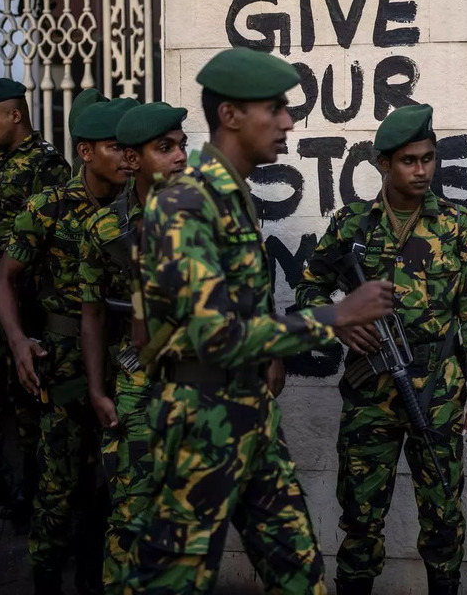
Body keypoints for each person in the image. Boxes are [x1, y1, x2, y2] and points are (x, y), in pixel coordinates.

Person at [123, 47, 394, 595]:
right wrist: (334, 316)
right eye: (274, 109)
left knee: (300, 577)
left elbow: (243, 307)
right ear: (230, 116)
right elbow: (214, 334)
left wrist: (273, 348)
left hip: (251, 420)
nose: (288, 121)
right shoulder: (184, 203)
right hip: (199, 425)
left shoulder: (233, 195)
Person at [295, 104, 467, 595]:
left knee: (443, 516)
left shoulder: (454, 225)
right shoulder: (352, 226)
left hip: (437, 390)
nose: (422, 170)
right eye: (409, 160)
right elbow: (308, 291)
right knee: (361, 516)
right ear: (383, 163)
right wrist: (341, 325)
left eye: (429, 159)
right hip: (370, 395)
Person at [0, 97, 135, 595]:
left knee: (121, 482)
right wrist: (18, 342)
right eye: (116, 148)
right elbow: (4, 280)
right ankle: (47, 578)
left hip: (131, 358)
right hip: (66, 358)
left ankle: (99, 578)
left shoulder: (142, 208)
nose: (127, 158)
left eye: (132, 148)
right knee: (60, 480)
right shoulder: (48, 206)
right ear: (86, 151)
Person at [78, 101, 188, 593]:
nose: (180, 156)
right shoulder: (105, 231)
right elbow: (93, 312)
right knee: (130, 515)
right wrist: (99, 390)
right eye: (165, 148)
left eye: (182, 145)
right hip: (138, 387)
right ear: (133, 159)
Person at [0, 77, 75, 528]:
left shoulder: (46, 164)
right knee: (2, 401)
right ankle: (5, 484)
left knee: (35, 405)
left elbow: (58, 234)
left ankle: (37, 497)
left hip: (31, 300)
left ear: (16, 115)